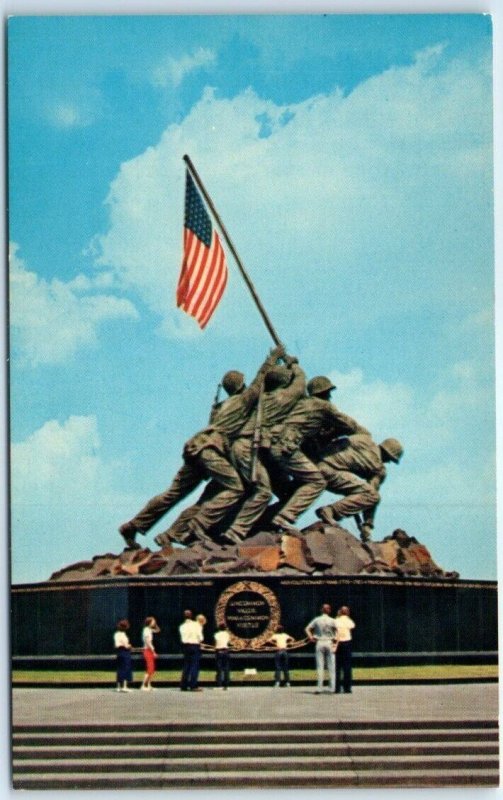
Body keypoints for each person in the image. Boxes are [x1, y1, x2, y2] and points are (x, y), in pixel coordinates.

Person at [119, 348, 284, 550]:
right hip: (210, 450)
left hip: (196, 447)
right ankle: (199, 524)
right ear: (241, 386)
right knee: (235, 487)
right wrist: (274, 358)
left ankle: (135, 525)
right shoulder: (242, 401)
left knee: (174, 494)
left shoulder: (220, 407)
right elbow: (260, 381)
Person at [266, 376, 368, 530]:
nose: (330, 396)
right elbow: (349, 425)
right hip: (286, 446)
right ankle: (284, 517)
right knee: (317, 481)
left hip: (271, 444)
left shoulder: (302, 403)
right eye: (329, 392)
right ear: (325, 393)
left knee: (292, 490)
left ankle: (266, 519)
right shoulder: (324, 406)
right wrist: (362, 435)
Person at [223, 356, 307, 544]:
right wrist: (294, 365)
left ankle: (260, 522)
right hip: (246, 448)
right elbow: (301, 384)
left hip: (246, 449)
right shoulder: (280, 398)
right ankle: (236, 531)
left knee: (283, 490)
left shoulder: (256, 399)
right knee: (263, 491)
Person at [315, 434, 404, 542]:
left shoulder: (363, 438)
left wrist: (354, 497)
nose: (388, 462)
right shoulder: (379, 468)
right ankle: (330, 511)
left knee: (361, 490)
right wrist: (367, 525)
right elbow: (371, 496)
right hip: (329, 472)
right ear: (387, 454)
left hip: (313, 465)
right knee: (372, 495)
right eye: (390, 459)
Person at [305, 603, 337, 694]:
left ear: (321, 610)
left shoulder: (317, 619)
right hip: (329, 642)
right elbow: (338, 631)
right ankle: (332, 687)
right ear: (329, 610)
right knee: (331, 665)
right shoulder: (332, 620)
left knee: (320, 665)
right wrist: (335, 640)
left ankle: (319, 687)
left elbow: (307, 628)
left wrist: (311, 637)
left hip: (319, 642)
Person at [179, 610, 204, 691]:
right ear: (191, 616)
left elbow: (183, 638)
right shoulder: (196, 625)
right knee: (194, 666)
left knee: (186, 665)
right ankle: (193, 685)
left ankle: (183, 685)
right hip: (194, 646)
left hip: (186, 646)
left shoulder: (182, 626)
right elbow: (200, 637)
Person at [334, 606, 356, 694]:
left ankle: (337, 688)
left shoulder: (336, 620)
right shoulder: (349, 620)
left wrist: (338, 616)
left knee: (337, 666)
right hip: (347, 643)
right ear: (347, 612)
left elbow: (334, 626)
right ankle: (347, 688)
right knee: (347, 666)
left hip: (338, 643)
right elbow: (352, 626)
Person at [140, 616, 160, 691]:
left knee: (152, 668)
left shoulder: (149, 629)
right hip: (148, 650)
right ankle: (143, 685)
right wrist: (153, 651)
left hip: (150, 650)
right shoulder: (146, 630)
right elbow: (148, 641)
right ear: (149, 622)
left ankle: (149, 685)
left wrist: (155, 624)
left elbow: (158, 630)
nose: (154, 622)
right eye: (153, 621)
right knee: (149, 668)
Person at [114, 619, 133, 692]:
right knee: (126, 668)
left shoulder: (116, 634)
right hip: (125, 652)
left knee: (119, 668)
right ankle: (124, 686)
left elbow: (116, 644)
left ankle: (118, 686)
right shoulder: (123, 635)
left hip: (119, 652)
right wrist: (129, 646)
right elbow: (126, 645)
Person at [214, 622, 232, 689]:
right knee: (226, 668)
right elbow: (227, 641)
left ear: (219, 628)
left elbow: (216, 643)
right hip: (226, 651)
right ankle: (226, 683)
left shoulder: (216, 634)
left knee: (219, 668)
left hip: (219, 651)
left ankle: (219, 683)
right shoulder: (227, 634)